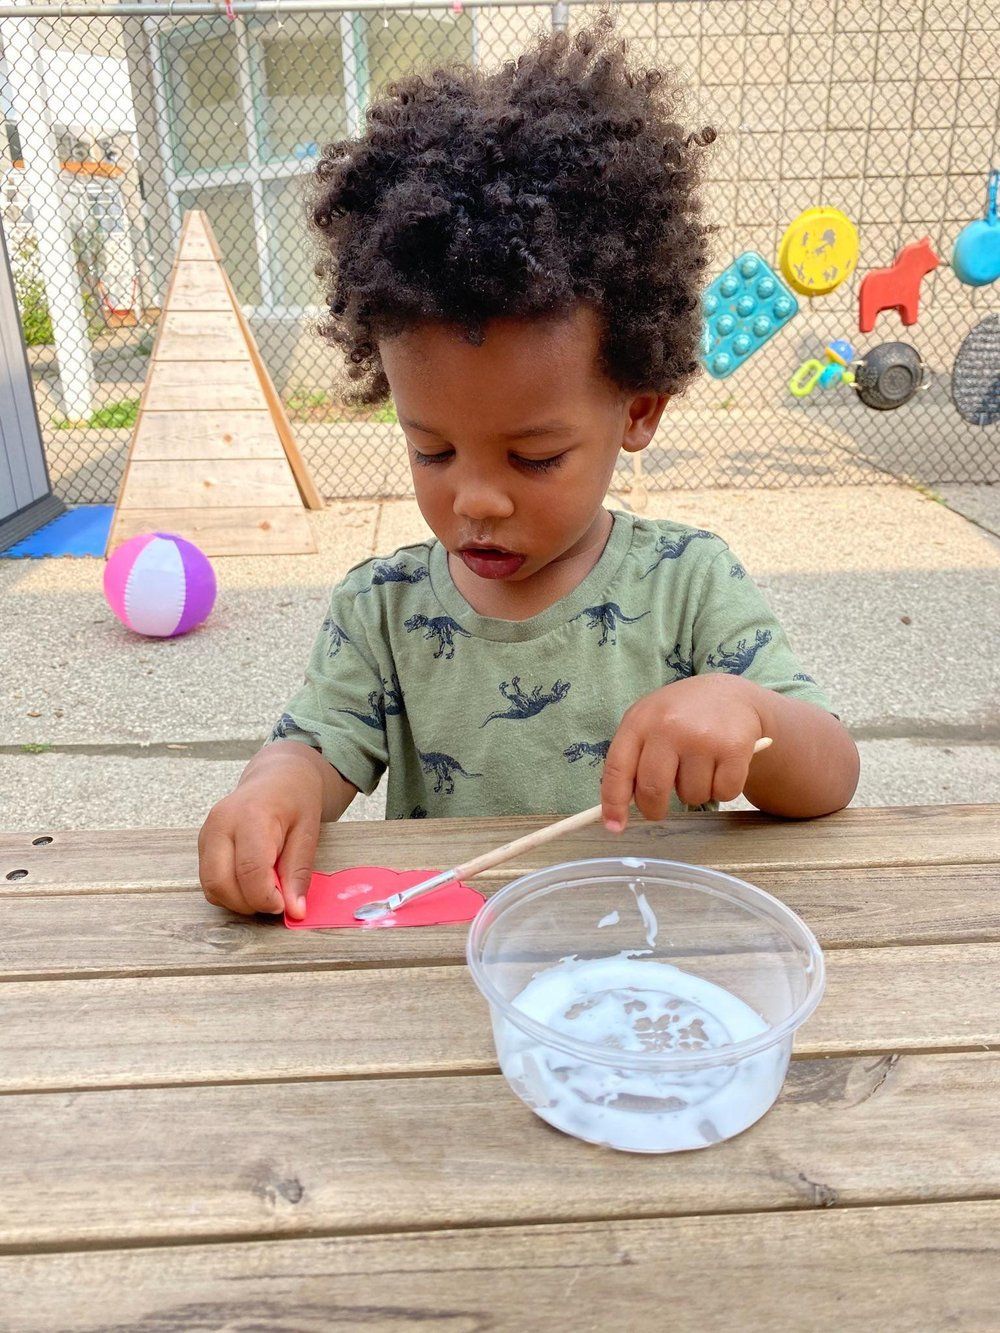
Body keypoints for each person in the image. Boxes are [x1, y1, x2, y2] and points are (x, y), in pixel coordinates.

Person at [199, 15, 859, 919]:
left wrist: (751, 714)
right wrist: (270, 792)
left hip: (644, 970)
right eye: (430, 448)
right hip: (451, 978)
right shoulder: (381, 612)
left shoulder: (689, 587)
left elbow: (831, 773)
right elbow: (314, 750)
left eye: (535, 455)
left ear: (637, 409)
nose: (474, 496)